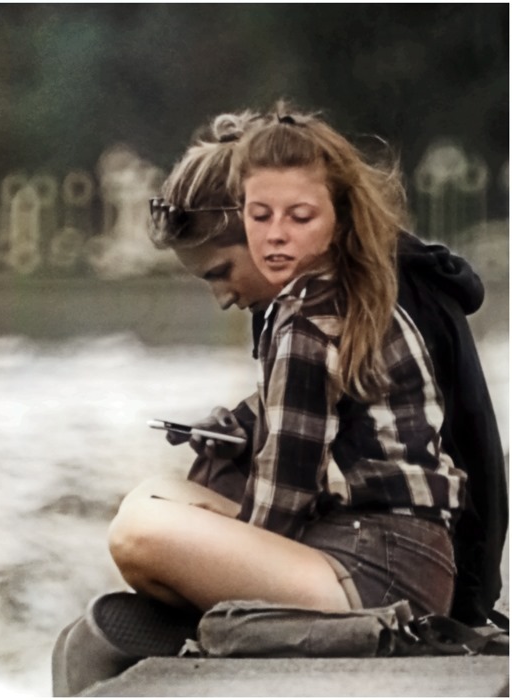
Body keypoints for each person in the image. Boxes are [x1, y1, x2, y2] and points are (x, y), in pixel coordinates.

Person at [107, 104, 469, 624]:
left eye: (220, 272)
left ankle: (237, 627)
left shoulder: (307, 322)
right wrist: (238, 431)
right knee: (156, 495)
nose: (222, 298)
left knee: (138, 533)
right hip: (389, 555)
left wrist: (203, 566)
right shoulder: (340, 292)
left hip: (379, 575)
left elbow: (280, 507)